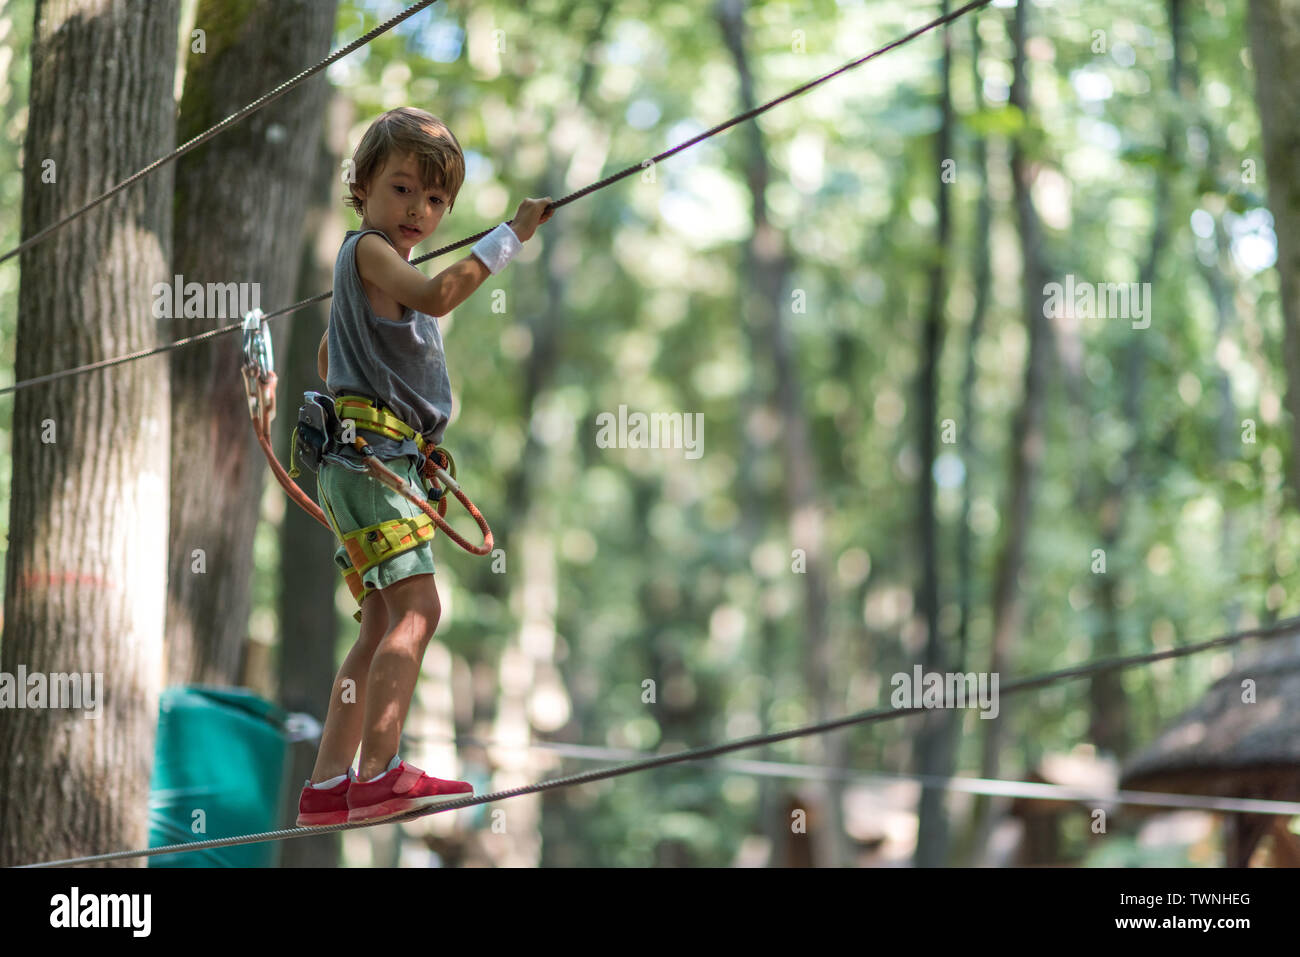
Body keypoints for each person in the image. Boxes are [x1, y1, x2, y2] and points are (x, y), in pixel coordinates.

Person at [296, 107, 553, 826]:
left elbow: (327, 358)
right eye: (404, 189)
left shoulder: (372, 272)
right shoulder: (372, 252)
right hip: (376, 462)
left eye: (437, 199)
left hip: (366, 461)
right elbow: (441, 295)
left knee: (379, 623)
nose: (421, 209)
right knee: (420, 610)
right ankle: (378, 771)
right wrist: (511, 237)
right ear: (364, 185)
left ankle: (326, 785)